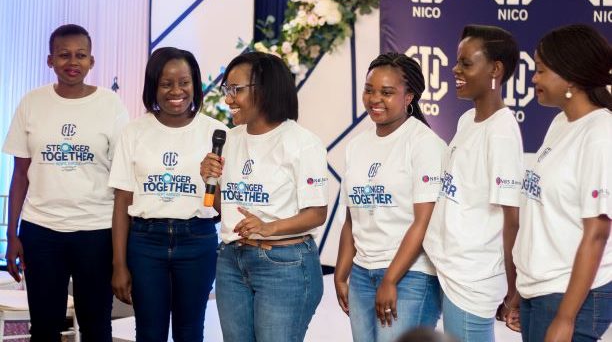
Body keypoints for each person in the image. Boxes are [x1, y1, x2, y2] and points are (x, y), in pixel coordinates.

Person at [2, 24, 129, 342]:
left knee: (96, 327)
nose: (73, 62)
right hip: (41, 231)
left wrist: (120, 251)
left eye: (80, 55)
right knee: (44, 328)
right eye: (64, 55)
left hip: (96, 231)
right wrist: (12, 234)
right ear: (50, 60)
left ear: (91, 61)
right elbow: (20, 174)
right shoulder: (31, 103)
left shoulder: (111, 105)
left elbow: (123, 180)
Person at [201, 51, 328, 342]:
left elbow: (317, 213)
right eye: (227, 89)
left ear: (265, 89)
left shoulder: (302, 143)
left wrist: (269, 227)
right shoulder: (230, 139)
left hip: (283, 264)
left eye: (236, 90)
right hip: (232, 260)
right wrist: (208, 179)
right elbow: (225, 209)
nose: (228, 99)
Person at [109, 47, 226, 342]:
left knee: (190, 331)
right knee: (149, 332)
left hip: (197, 240)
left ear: (195, 84)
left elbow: (225, 207)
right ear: (153, 86)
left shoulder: (215, 132)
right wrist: (119, 265)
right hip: (145, 243)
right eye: (166, 84)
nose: (176, 91)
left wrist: (211, 180)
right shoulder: (133, 131)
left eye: (184, 82)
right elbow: (122, 202)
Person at [334, 52, 445, 342]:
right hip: (362, 273)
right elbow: (352, 219)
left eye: (386, 92)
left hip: (411, 276)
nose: (375, 99)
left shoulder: (425, 144)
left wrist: (390, 279)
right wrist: (341, 273)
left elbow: (423, 222)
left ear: (409, 97)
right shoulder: (356, 146)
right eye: (369, 90)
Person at [423, 24, 523, 342]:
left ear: (495, 70)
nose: (455, 69)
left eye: (466, 63)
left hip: (473, 278)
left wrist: (514, 288)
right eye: (457, 61)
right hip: (448, 267)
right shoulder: (467, 120)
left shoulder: (501, 132)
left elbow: (512, 219)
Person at [513, 24, 612, 342]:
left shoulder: (600, 134)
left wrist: (566, 318)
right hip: (539, 290)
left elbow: (597, 233)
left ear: (570, 77)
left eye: (541, 70)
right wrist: (520, 289)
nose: (534, 79)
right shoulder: (560, 122)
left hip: (569, 296)